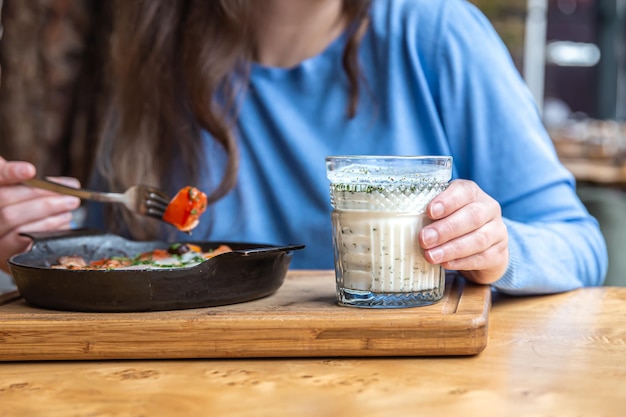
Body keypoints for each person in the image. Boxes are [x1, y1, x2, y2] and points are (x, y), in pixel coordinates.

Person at [0, 0, 607, 295]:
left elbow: (579, 245)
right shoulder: (159, 62)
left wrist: (496, 251)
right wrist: (25, 245)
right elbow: (112, 257)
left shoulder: (437, 34)